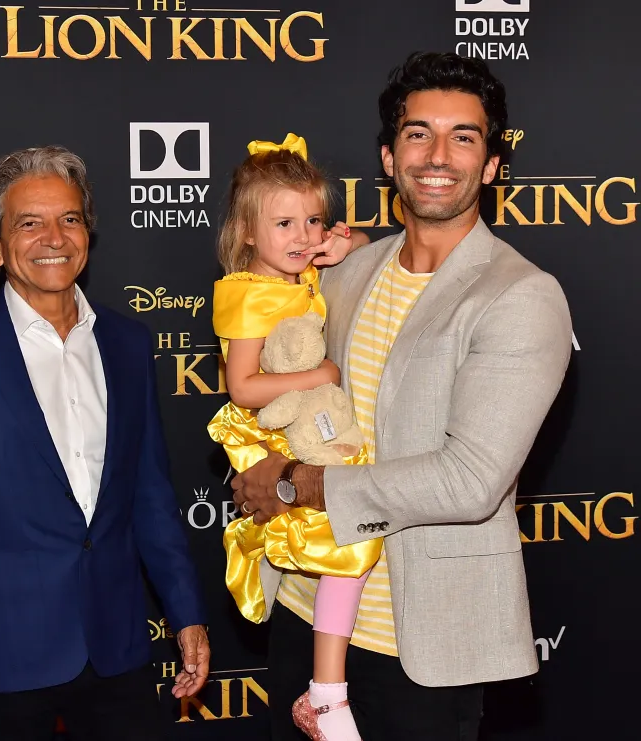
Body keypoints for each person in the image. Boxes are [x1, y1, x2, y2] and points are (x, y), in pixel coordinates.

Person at [230, 52, 573, 741]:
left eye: (464, 136)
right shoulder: (347, 268)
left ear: (494, 165)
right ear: (389, 157)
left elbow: (470, 480)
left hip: (416, 648)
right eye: (418, 134)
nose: (438, 154)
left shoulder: (520, 296)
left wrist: (296, 486)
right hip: (305, 612)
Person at [0, 145, 210, 740]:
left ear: (87, 233)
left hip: (117, 647)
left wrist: (186, 613)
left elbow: (151, 497)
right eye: (28, 223)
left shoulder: (129, 343)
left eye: (68, 219)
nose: (53, 237)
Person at [208, 134, 373, 741]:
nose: (303, 236)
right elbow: (244, 386)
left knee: (351, 542)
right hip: (269, 435)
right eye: (284, 223)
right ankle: (326, 696)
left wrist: (342, 242)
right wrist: (322, 374)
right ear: (247, 231)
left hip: (304, 424)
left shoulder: (291, 273)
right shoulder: (249, 295)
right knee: (350, 545)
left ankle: (325, 691)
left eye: (312, 220)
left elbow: (352, 241)